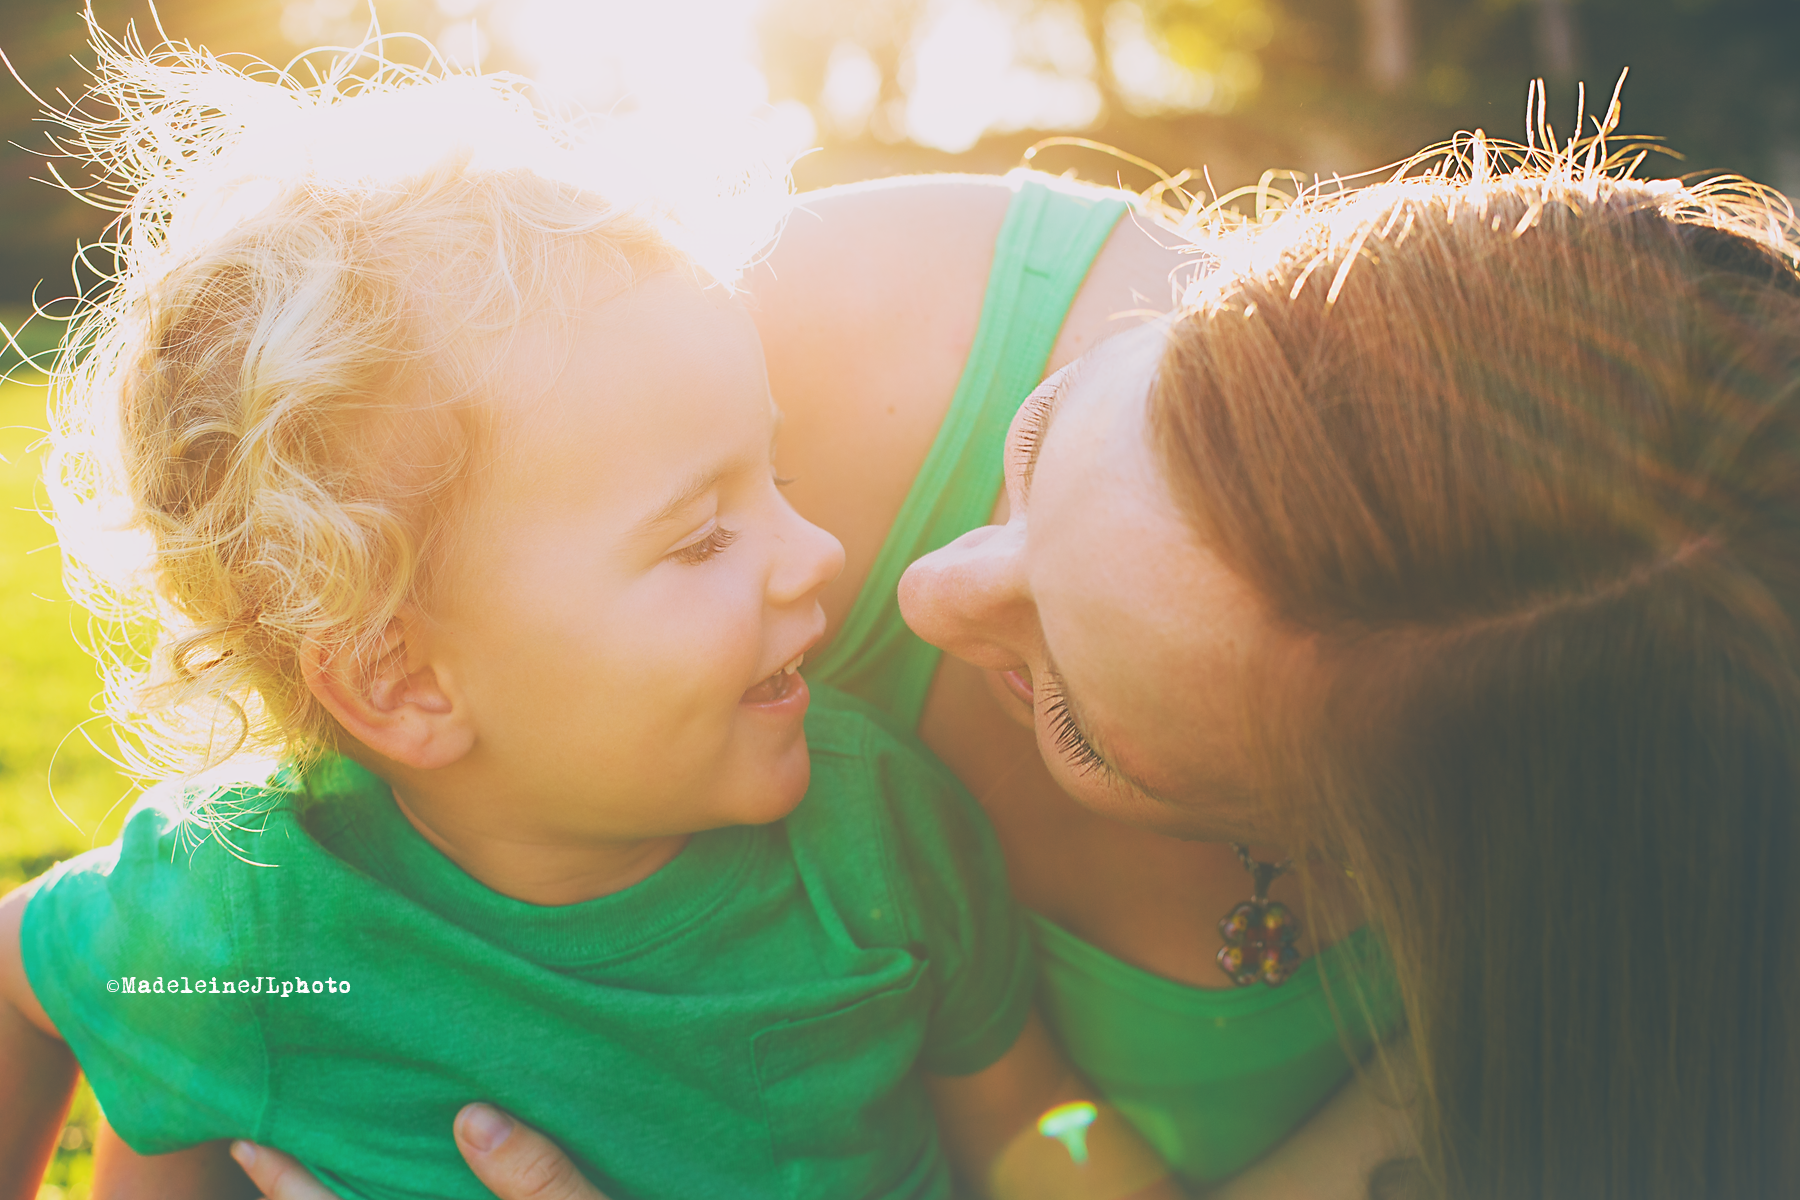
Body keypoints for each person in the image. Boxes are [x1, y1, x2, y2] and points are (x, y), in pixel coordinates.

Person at [248, 133, 1800, 1200]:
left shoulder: (1634, 990)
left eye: (1077, 713)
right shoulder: (796, 335)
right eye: (1042, 442)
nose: (914, 596)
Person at [0, 33, 1184, 1200]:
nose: (815, 554)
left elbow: (1032, 1119)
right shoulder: (244, 913)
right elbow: (25, 983)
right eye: (701, 535)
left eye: (779, 478)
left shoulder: (875, 830)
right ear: (403, 683)